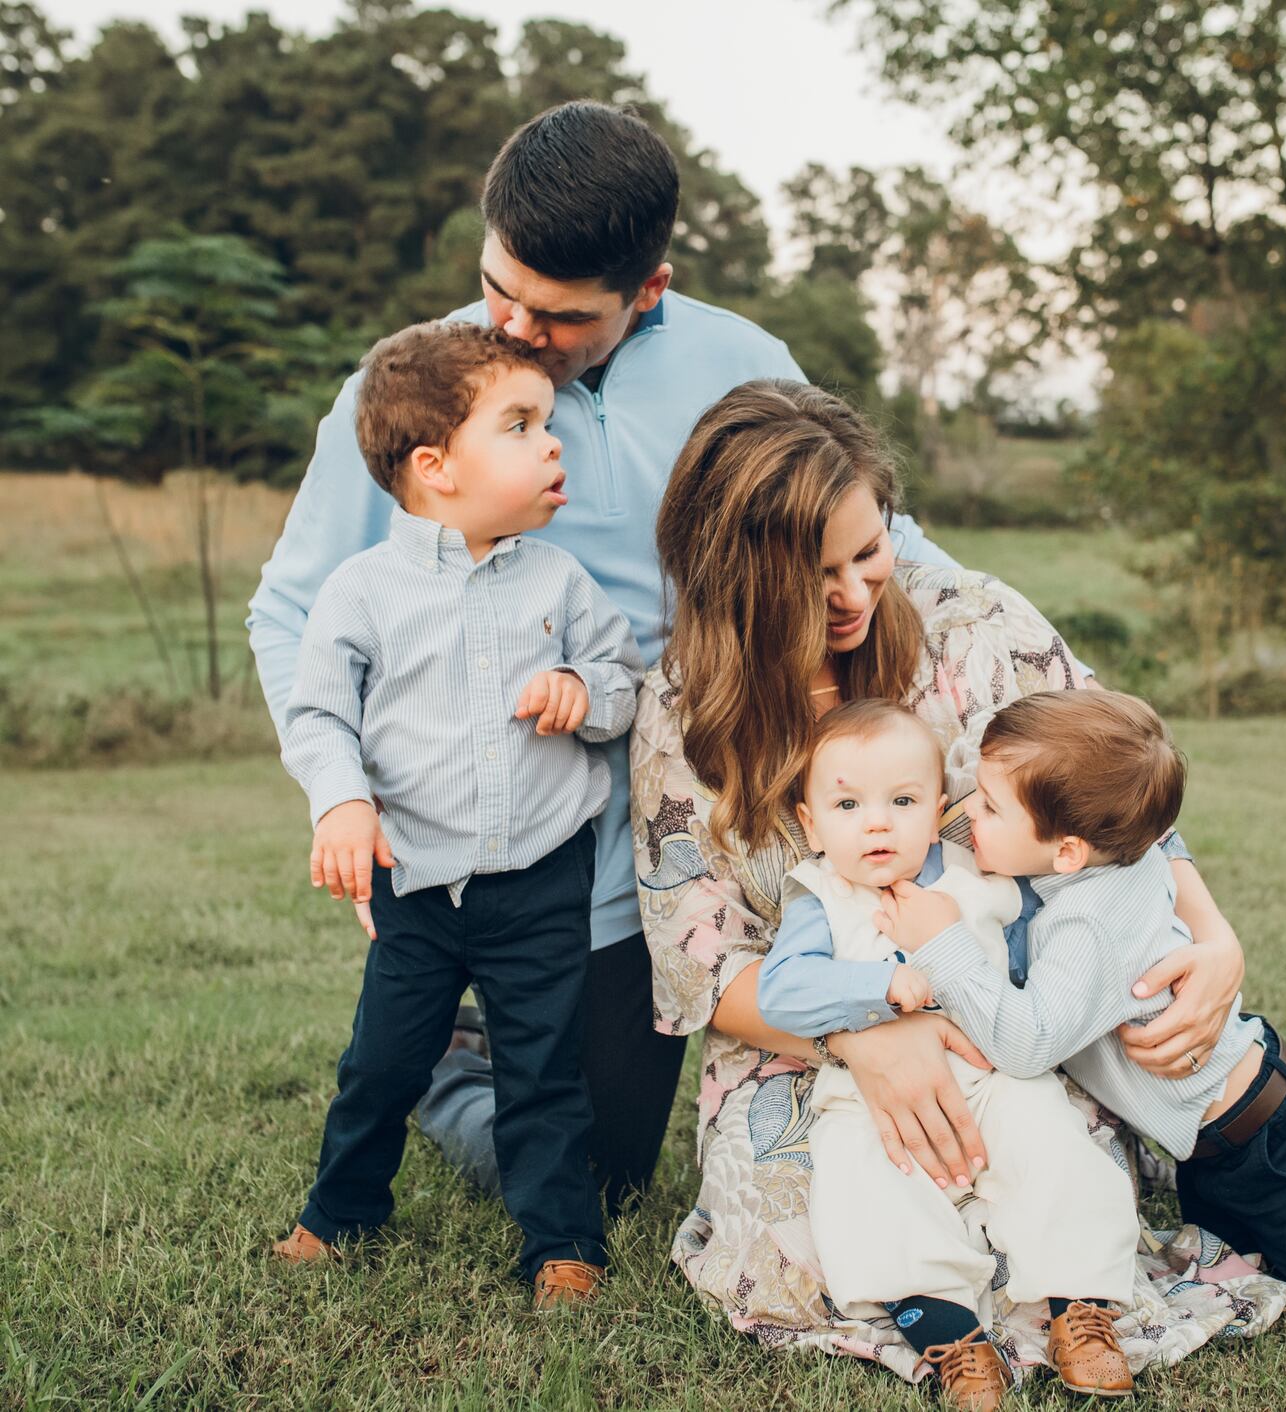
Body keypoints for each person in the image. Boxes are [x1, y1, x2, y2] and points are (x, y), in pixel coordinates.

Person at [246, 100, 951, 1212]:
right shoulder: (407, 390)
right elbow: (289, 613)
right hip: (515, 839)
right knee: (582, 1179)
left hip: (696, 814)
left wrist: (1016, 640)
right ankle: (445, 1052)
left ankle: (475, 1035)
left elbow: (873, 531)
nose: (517, 328)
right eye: (499, 288)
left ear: (649, 289)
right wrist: (342, 794)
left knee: (627, 1154)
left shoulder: (742, 362)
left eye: (561, 315)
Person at [631, 379, 1286, 1391]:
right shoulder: (683, 715)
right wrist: (866, 1034)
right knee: (806, 1253)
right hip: (803, 1036)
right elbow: (702, 966)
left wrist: (1215, 935)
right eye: (816, 576)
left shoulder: (974, 627)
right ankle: (951, 1320)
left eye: (869, 550)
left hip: (1008, 1010)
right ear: (735, 577)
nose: (855, 593)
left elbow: (1116, 799)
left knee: (1054, 1185)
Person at [879, 689, 1286, 1314]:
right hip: (1219, 1141)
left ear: (1067, 849)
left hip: (1265, 1137)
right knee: (1253, 1255)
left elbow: (1027, 1044)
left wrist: (941, 943)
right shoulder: (1119, 852)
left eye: (988, 805)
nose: (963, 810)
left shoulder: (1089, 923)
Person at [270, 321, 643, 1303]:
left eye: (550, 422)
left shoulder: (559, 582)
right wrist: (342, 803)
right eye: (520, 424)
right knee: (381, 1063)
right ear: (434, 465)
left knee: (543, 1071)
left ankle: (562, 1242)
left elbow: (624, 680)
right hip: (418, 886)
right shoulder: (363, 591)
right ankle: (341, 1209)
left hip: (540, 879)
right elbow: (318, 714)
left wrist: (580, 686)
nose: (552, 442)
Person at [759, 699, 1138, 1407]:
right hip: (871, 1097)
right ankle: (953, 1336)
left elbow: (1039, 957)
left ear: (937, 809)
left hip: (993, 1075)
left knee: (1059, 1154)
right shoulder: (821, 895)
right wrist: (877, 986)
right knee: (865, 1191)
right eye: (846, 804)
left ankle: (1078, 1310)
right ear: (810, 822)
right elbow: (783, 991)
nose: (876, 822)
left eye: (901, 800)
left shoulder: (981, 875)